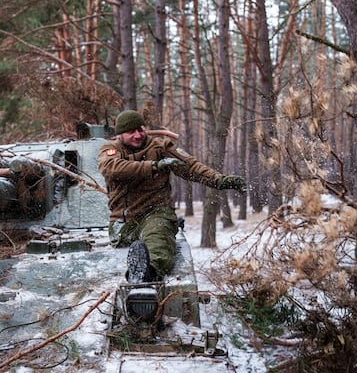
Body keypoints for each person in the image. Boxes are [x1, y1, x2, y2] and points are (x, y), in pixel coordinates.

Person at [98, 110, 246, 285]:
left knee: (158, 238)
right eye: (131, 132)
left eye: (140, 129)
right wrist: (154, 166)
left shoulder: (161, 147)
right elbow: (112, 168)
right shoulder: (110, 150)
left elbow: (190, 166)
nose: (137, 135)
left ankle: (146, 274)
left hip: (155, 212)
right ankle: (141, 258)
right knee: (128, 239)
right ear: (120, 134)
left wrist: (219, 180)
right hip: (123, 222)